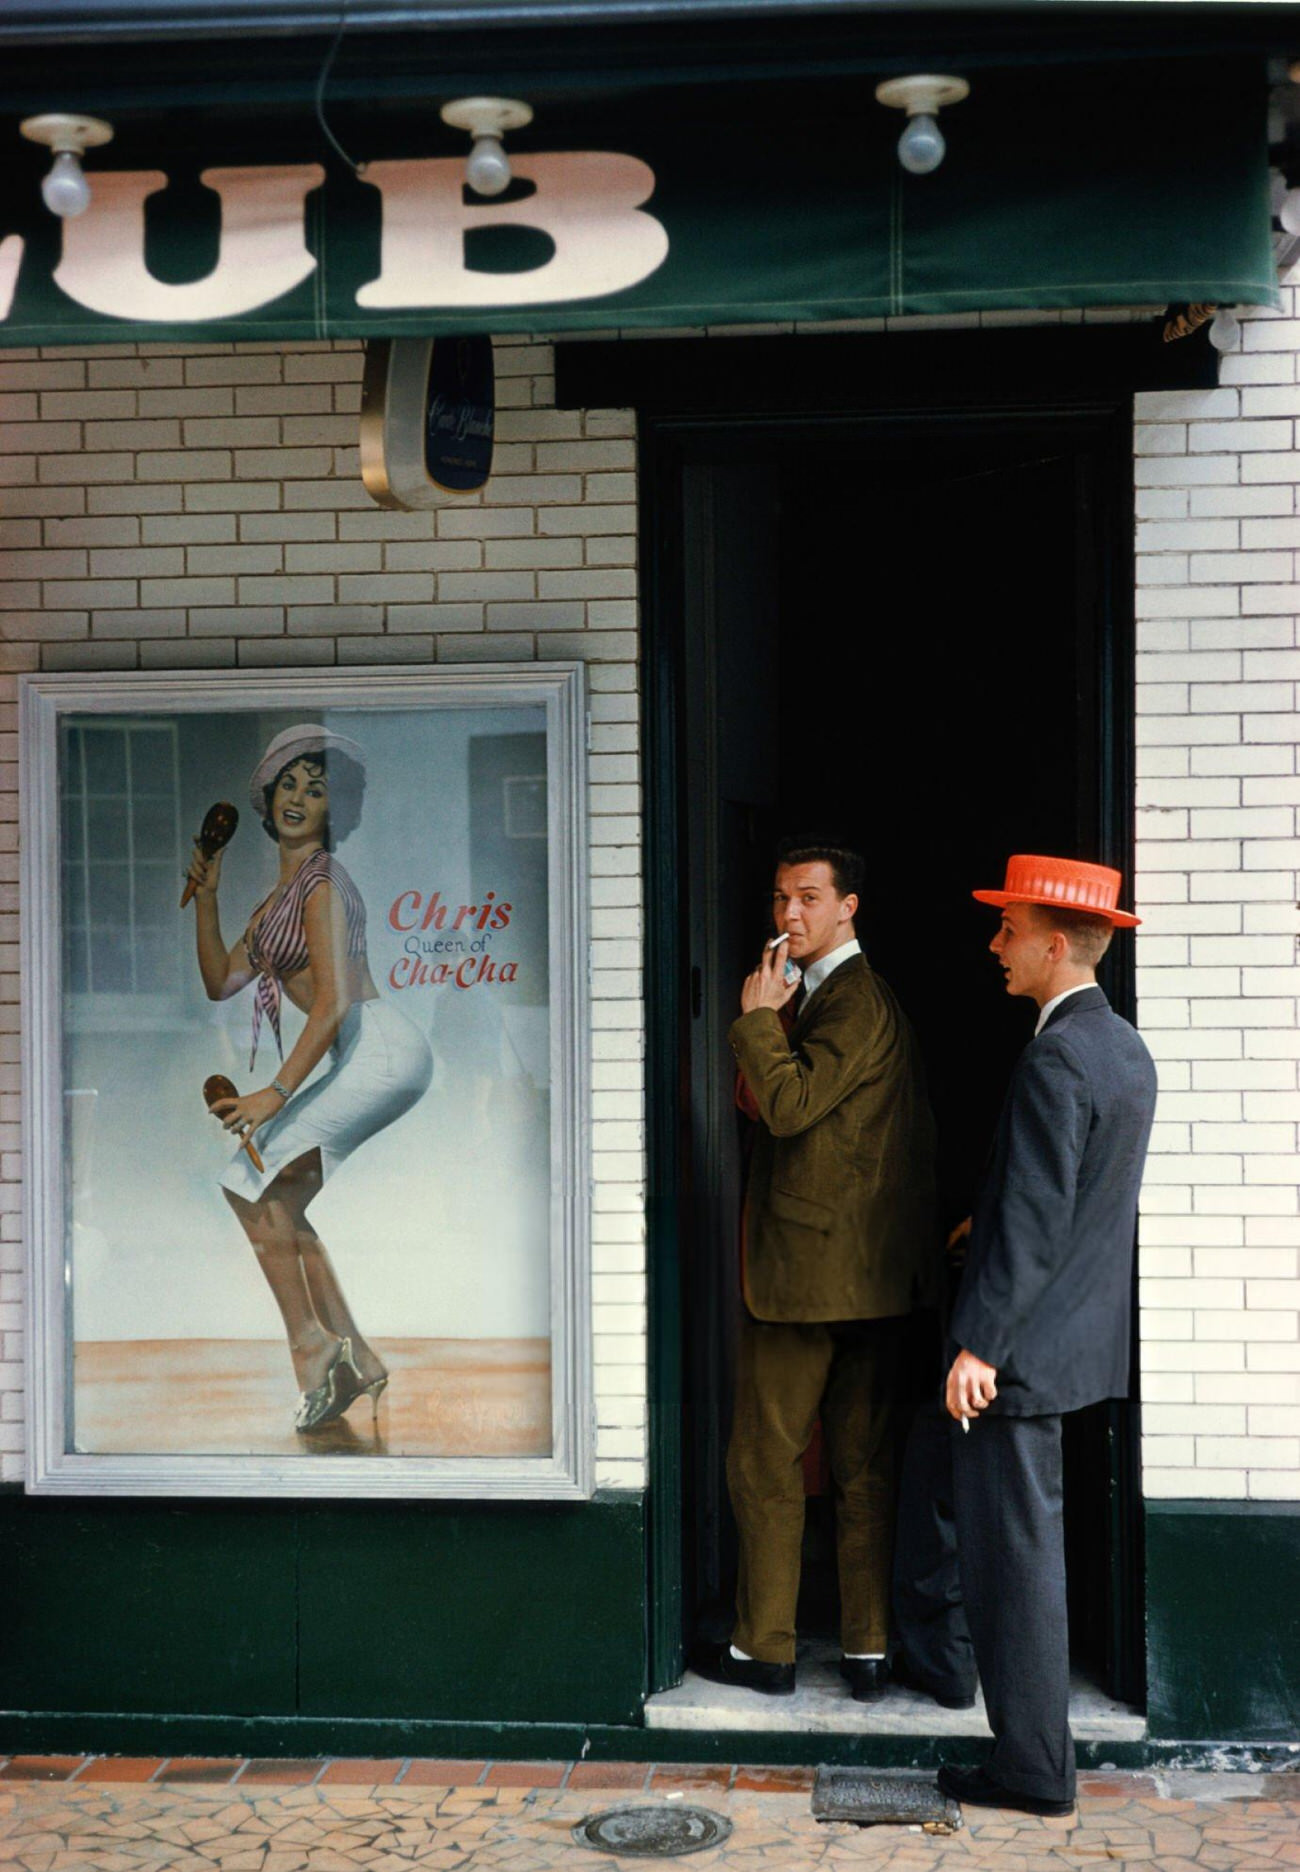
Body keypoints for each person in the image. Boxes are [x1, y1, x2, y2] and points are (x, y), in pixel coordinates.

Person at [930, 855, 1157, 1817]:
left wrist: (978, 1344)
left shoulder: (1056, 1054)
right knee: (1028, 1551)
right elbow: (1075, 1201)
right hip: (1073, 1344)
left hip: (1017, 1356)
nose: (995, 944)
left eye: (1008, 929)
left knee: (1012, 1563)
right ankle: (1037, 1757)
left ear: (1055, 944)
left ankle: (1032, 1768)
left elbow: (1035, 1215)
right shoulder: (1126, 1050)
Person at [693, 841, 939, 1699]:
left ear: (849, 908)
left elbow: (789, 1106)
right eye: (778, 898)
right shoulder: (842, 997)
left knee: (766, 1460)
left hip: (805, 1283)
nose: (787, 915)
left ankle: (766, 1649)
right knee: (863, 1465)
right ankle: (866, 1650)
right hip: (864, 1282)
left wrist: (756, 1016)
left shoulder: (852, 999)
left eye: (807, 898)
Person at [186, 723, 433, 1436]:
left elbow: (332, 1004)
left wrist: (275, 1095)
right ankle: (357, 1358)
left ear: (334, 809)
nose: (298, 798)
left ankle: (315, 1350)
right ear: (267, 799)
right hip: (366, 1051)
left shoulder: (324, 884)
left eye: (315, 789)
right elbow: (219, 981)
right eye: (288, 785)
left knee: (244, 1181)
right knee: (278, 1202)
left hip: (376, 1047)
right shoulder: (272, 905)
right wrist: (208, 894)